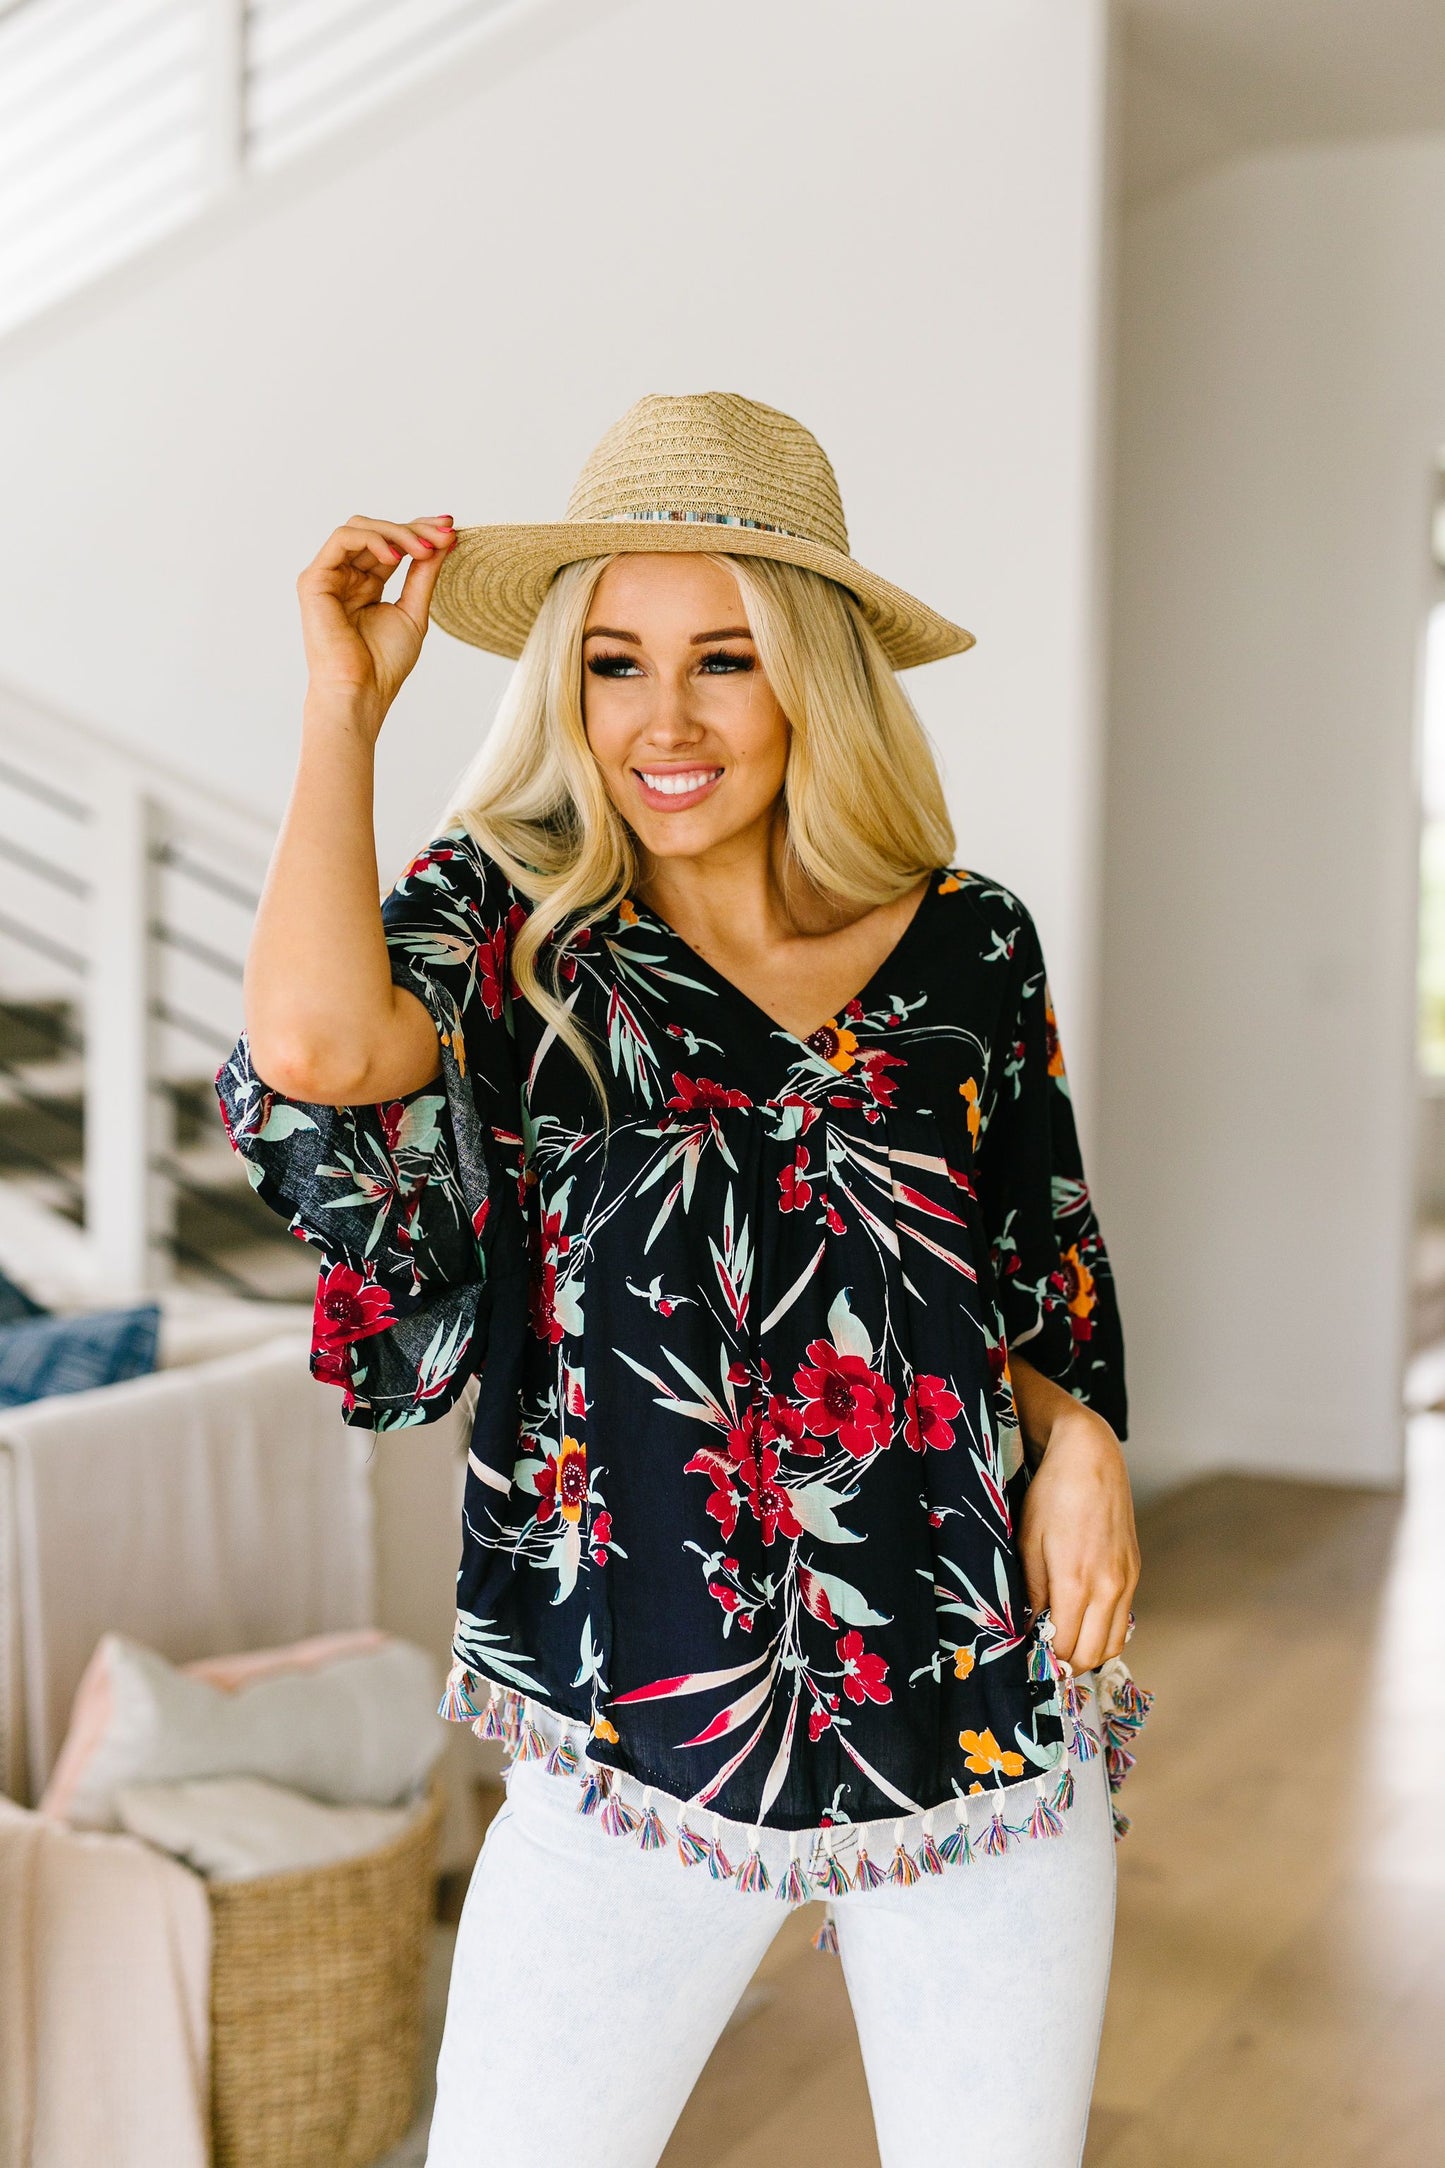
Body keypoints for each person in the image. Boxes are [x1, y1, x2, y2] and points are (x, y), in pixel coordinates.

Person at [217, 392, 1148, 2168]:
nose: (662, 719)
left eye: (723, 659)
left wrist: (1079, 1437)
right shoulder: (508, 921)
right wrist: (347, 708)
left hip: (970, 1723)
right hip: (623, 1728)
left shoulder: (970, 936)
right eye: (614, 662)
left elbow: (1023, 1271)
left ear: (812, 674)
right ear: (562, 684)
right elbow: (326, 1051)